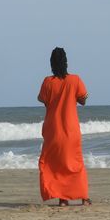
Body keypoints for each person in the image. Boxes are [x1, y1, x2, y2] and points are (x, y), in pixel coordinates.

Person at [37, 47, 91, 207]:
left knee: (55, 164)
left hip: (53, 130)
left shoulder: (47, 82)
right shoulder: (75, 80)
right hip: (71, 130)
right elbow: (83, 100)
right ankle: (83, 197)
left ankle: (62, 198)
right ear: (66, 62)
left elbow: (44, 101)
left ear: (51, 64)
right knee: (75, 163)